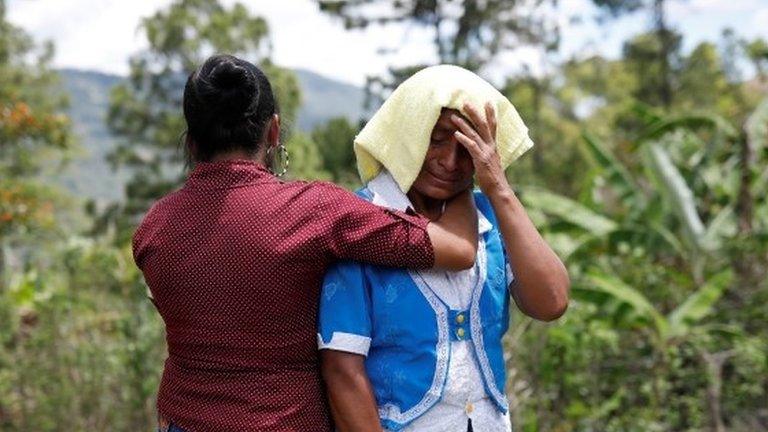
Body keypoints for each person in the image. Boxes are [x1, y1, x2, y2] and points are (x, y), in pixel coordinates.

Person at [132, 55, 481, 432]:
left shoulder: (154, 229)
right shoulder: (314, 211)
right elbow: (458, 249)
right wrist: (463, 172)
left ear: (192, 138)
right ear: (273, 131)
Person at [318, 65, 570, 432]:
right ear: (407, 134)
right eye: (435, 140)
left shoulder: (492, 218)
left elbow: (551, 301)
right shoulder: (361, 223)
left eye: (467, 147)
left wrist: (497, 187)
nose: (450, 162)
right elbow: (342, 368)